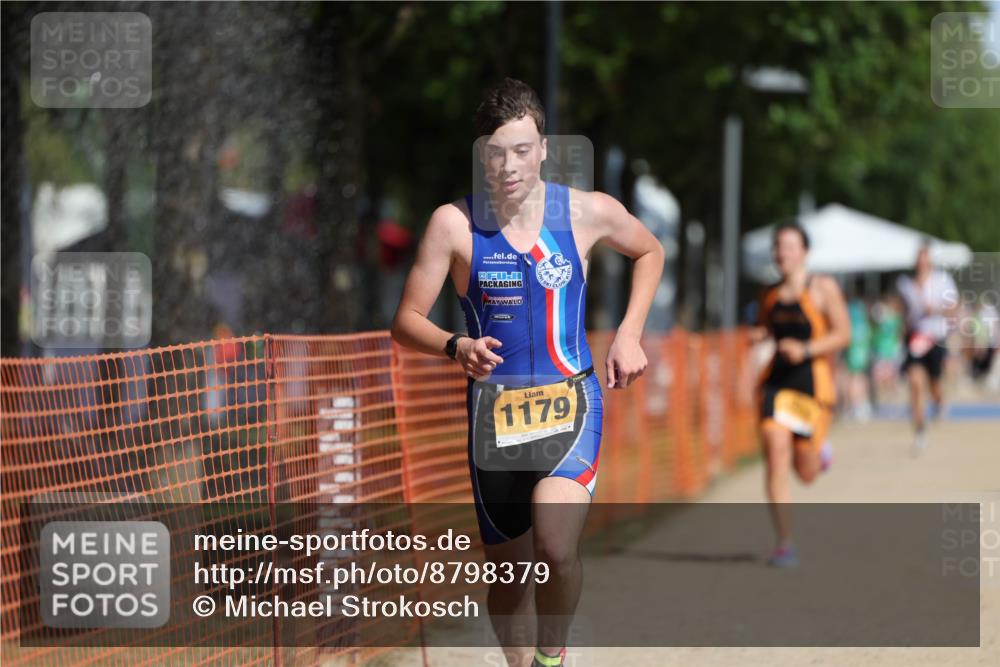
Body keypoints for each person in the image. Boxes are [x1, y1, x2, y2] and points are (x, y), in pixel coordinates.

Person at [390, 78, 664, 667]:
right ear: (481, 154)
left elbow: (650, 251)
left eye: (522, 149)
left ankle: (551, 657)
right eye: (496, 151)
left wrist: (629, 332)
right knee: (510, 576)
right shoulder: (453, 226)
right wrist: (452, 344)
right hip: (495, 423)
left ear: (543, 148)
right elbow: (406, 319)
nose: (509, 165)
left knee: (555, 547)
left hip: (572, 404)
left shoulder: (586, 212)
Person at [752, 220, 850, 568]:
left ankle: (818, 452)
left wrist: (806, 349)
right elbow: (766, 327)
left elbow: (843, 334)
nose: (783, 253)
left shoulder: (822, 288)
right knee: (774, 448)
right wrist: (760, 337)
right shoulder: (770, 293)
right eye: (778, 246)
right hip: (777, 382)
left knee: (805, 473)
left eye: (790, 246)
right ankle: (784, 543)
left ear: (804, 252)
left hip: (811, 384)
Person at [896, 244, 959, 455]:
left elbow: (954, 306)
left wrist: (936, 308)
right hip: (916, 339)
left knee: (934, 384)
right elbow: (903, 312)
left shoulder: (942, 280)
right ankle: (920, 432)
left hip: (936, 338)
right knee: (915, 383)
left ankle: (939, 402)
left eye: (925, 260)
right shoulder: (906, 285)